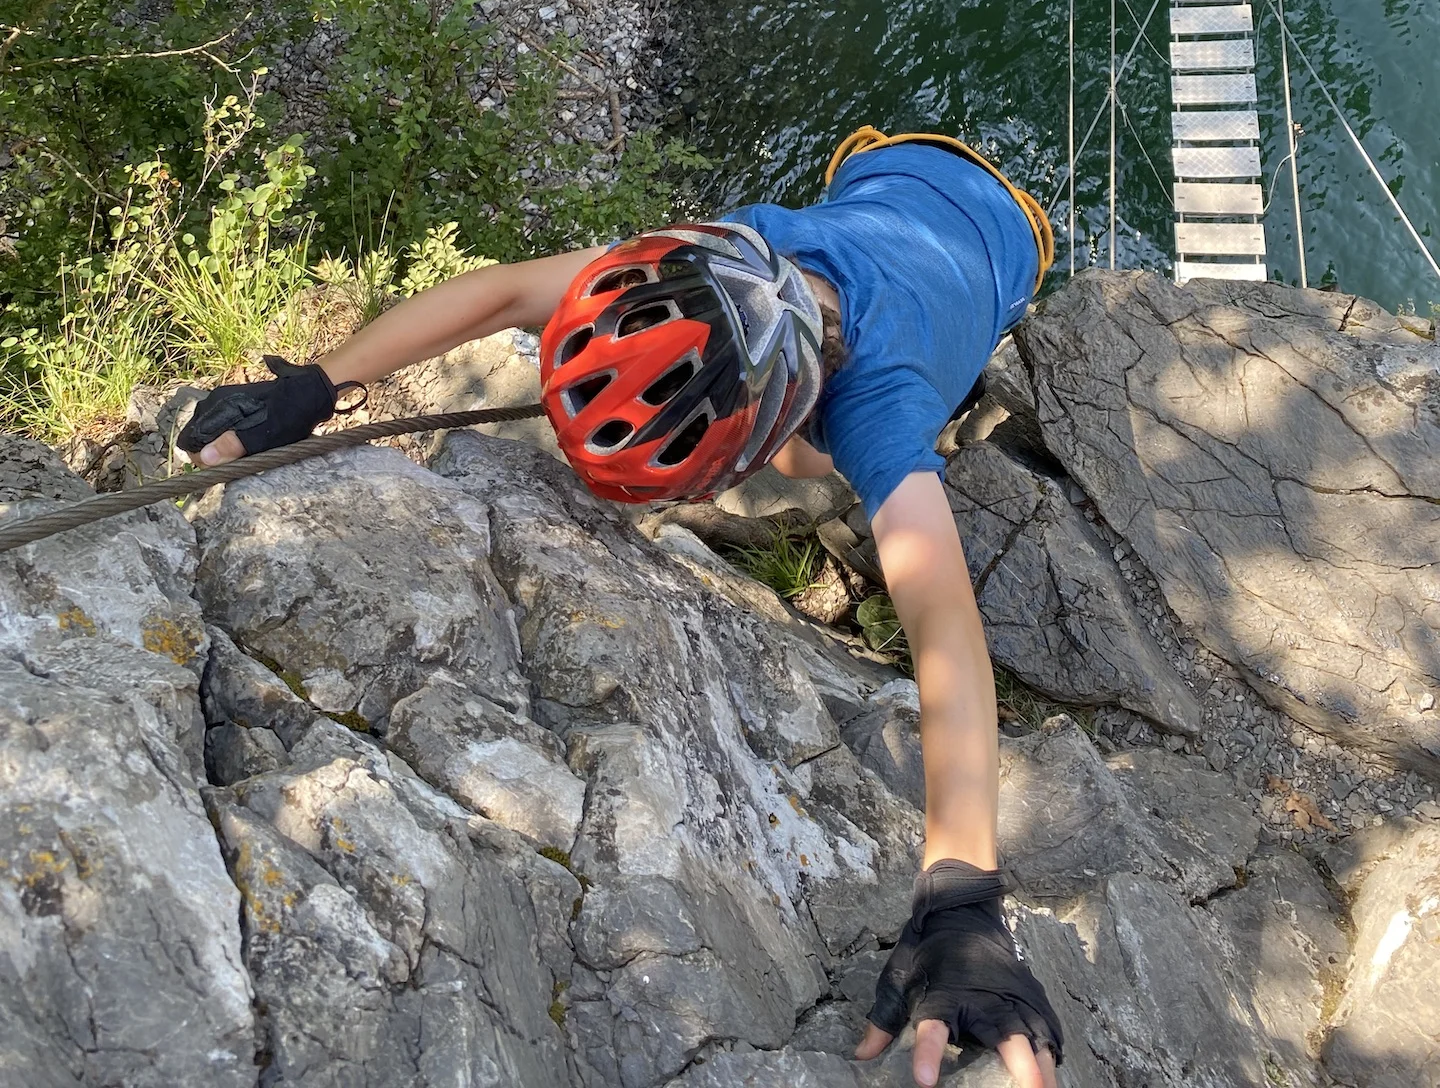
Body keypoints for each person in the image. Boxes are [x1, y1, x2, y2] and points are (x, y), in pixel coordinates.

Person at [179, 126, 1064, 1088]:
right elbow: (510, 293)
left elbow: (946, 631)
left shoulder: (878, 407)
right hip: (890, 173)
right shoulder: (721, 266)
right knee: (815, 444)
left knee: (817, 462)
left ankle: (870, 402)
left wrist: (964, 895)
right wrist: (314, 386)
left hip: (1005, 238)